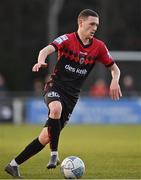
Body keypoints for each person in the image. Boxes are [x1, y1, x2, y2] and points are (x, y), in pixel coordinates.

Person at [5, 9, 122, 178]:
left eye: (97, 24)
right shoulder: (67, 39)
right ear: (81, 23)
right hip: (55, 87)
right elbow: (45, 50)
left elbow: (114, 69)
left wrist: (115, 80)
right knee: (55, 109)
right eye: (92, 24)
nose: (95, 27)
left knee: (45, 137)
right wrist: (40, 61)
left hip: (72, 97)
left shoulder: (99, 47)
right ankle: (54, 155)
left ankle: (13, 165)